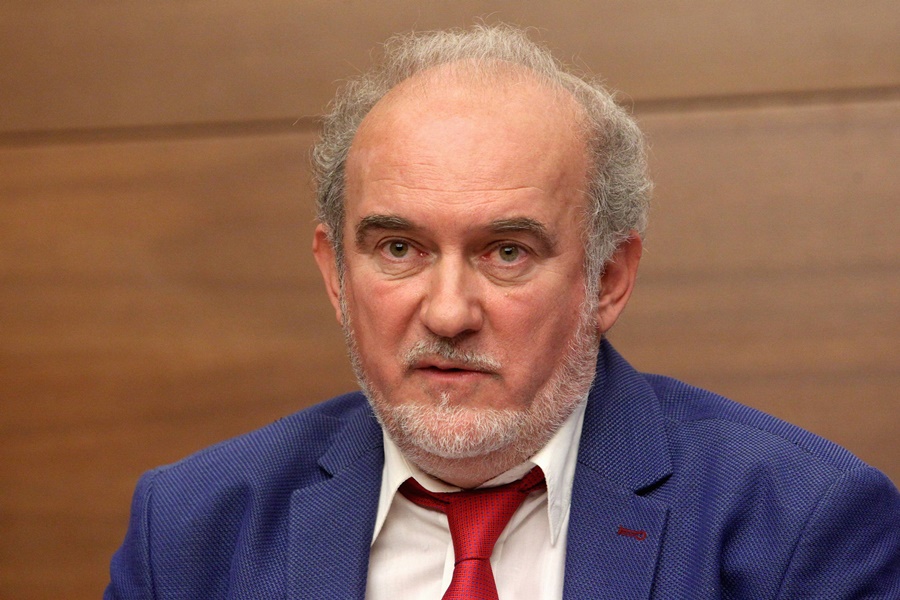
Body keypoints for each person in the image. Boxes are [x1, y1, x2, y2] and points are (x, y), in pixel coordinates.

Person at [106, 25, 900, 599]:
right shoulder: (189, 532)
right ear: (335, 274)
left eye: (507, 252)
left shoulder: (798, 526)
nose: (448, 313)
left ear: (609, 278)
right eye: (399, 249)